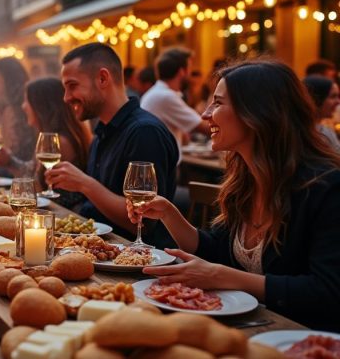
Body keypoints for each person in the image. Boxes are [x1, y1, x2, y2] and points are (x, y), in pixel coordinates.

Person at [128, 60, 340, 331]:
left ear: (257, 112)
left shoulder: (326, 187)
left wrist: (220, 276)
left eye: (217, 103)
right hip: (248, 327)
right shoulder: (244, 181)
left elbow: (328, 292)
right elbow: (216, 250)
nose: (205, 114)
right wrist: (169, 214)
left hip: (299, 338)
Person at [44, 43, 178, 248]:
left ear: (103, 79)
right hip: (96, 248)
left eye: (72, 85)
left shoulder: (144, 132)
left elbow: (144, 221)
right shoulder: (102, 132)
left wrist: (84, 184)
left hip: (137, 261)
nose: (66, 97)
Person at [0, 77, 92, 208]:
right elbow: (32, 171)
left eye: (26, 101)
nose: (23, 106)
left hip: (64, 216)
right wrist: (9, 161)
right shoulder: (51, 136)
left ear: (42, 106)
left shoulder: (60, 142)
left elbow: (35, 185)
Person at [140, 47, 210, 153]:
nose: (190, 74)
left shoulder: (157, 92)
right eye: (189, 68)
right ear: (182, 71)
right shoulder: (165, 96)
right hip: (163, 165)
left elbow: (185, 138)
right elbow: (206, 128)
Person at [303, 75, 340, 153]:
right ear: (317, 98)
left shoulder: (324, 130)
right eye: (333, 96)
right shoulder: (303, 133)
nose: (338, 102)